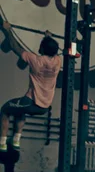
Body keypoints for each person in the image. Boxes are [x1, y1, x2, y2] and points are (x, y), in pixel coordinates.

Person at [0, 21, 60, 152]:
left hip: (31, 102)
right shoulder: (57, 61)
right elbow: (52, 50)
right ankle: (16, 140)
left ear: (43, 49)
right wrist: (48, 37)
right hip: (44, 107)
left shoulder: (35, 60)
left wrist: (7, 30)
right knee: (19, 110)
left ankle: (2, 142)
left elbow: (14, 46)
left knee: (5, 110)